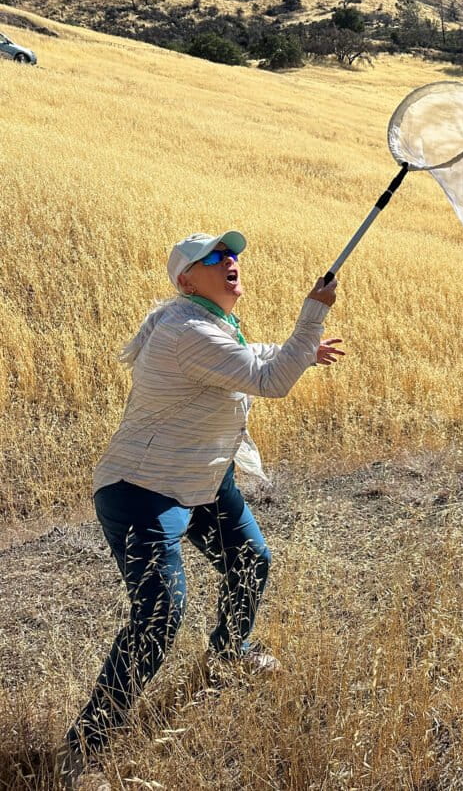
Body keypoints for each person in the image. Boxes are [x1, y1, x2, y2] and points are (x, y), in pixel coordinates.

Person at [56, 231, 344, 788]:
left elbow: (254, 358)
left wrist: (302, 351)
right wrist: (313, 315)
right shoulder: (187, 331)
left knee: (251, 562)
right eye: (213, 257)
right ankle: (85, 743)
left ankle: (229, 653)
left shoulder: (209, 325)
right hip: (142, 492)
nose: (229, 261)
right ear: (187, 280)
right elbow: (268, 380)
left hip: (203, 484)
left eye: (231, 254)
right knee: (161, 613)